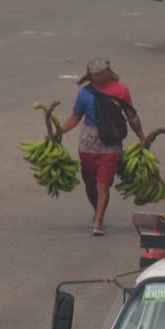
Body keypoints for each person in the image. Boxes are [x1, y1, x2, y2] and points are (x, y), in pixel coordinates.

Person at [60, 58, 146, 236]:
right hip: (88, 145)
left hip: (111, 144)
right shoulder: (84, 93)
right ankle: (97, 211)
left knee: (103, 184)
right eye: (94, 75)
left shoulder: (121, 91)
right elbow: (76, 117)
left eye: (100, 74)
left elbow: (131, 116)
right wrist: (59, 132)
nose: (98, 77)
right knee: (90, 184)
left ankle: (98, 221)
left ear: (107, 72)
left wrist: (142, 136)